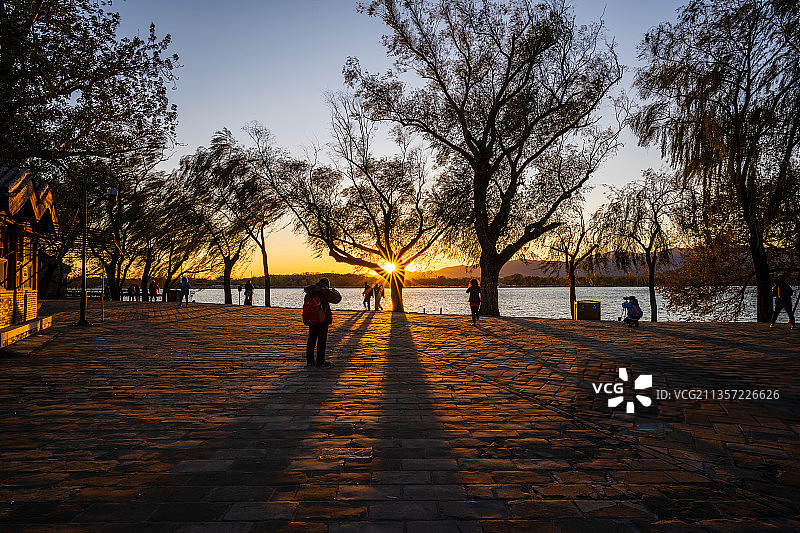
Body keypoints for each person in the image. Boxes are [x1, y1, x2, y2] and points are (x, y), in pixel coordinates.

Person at [304, 278, 342, 368]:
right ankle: (320, 361)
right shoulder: (325, 292)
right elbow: (337, 299)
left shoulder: (311, 291)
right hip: (322, 320)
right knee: (321, 341)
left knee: (311, 340)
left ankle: (310, 361)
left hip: (312, 320)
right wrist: (334, 291)